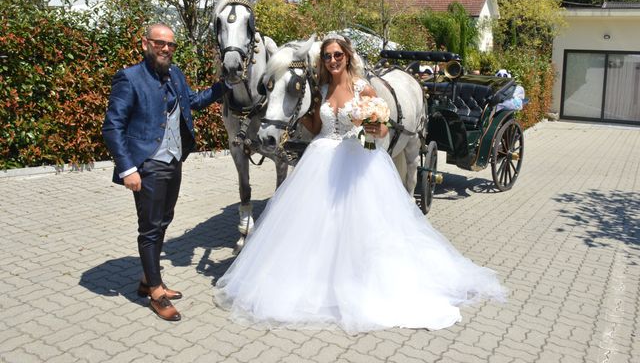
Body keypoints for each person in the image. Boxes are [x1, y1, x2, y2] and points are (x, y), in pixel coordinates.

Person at [214, 33, 506, 332]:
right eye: (327, 56)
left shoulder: (362, 88)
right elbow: (316, 129)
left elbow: (380, 133)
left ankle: (358, 279)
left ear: (347, 57)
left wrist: (370, 123)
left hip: (357, 159)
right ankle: (316, 280)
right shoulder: (321, 90)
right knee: (315, 225)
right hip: (322, 157)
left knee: (361, 224)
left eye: (337, 55)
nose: (332, 60)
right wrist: (298, 117)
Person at [103, 23, 226, 321]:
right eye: (160, 43)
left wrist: (224, 86)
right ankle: (155, 291)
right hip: (146, 165)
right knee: (149, 227)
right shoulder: (129, 78)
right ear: (145, 43)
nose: (166, 49)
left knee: (163, 221)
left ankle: (147, 279)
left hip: (173, 161)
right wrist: (128, 168)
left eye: (171, 44)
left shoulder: (176, 74)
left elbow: (192, 102)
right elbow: (112, 127)